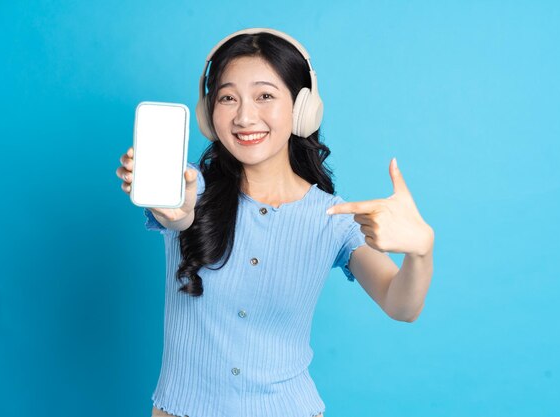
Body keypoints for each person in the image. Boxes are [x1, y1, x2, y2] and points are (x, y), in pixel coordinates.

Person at [116, 27, 434, 417]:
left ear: (302, 109)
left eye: (265, 95)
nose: (245, 116)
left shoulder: (333, 218)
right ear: (207, 112)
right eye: (228, 98)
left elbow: (400, 305)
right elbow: (178, 215)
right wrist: (174, 207)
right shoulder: (189, 187)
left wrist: (421, 251)